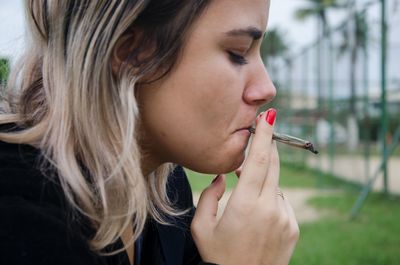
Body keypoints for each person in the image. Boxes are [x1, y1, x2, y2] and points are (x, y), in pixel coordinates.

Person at [0, 0, 299, 264]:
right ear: (129, 53)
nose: (266, 89)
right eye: (237, 52)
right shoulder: (20, 218)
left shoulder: (168, 192)